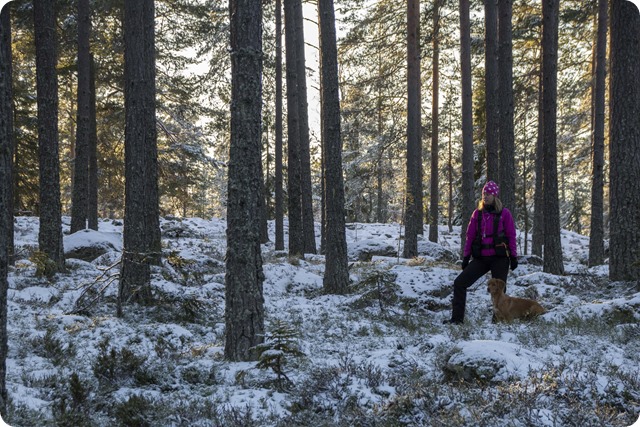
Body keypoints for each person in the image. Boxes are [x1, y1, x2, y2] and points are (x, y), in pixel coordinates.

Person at [444, 181, 518, 324]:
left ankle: (497, 322)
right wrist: (466, 257)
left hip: (500, 258)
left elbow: (511, 235)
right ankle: (456, 320)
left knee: (500, 290)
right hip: (481, 258)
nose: (485, 196)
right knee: (459, 283)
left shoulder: (504, 213)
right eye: (484, 193)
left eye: (488, 194)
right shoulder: (477, 214)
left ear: (495, 196)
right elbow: (470, 236)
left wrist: (513, 256)